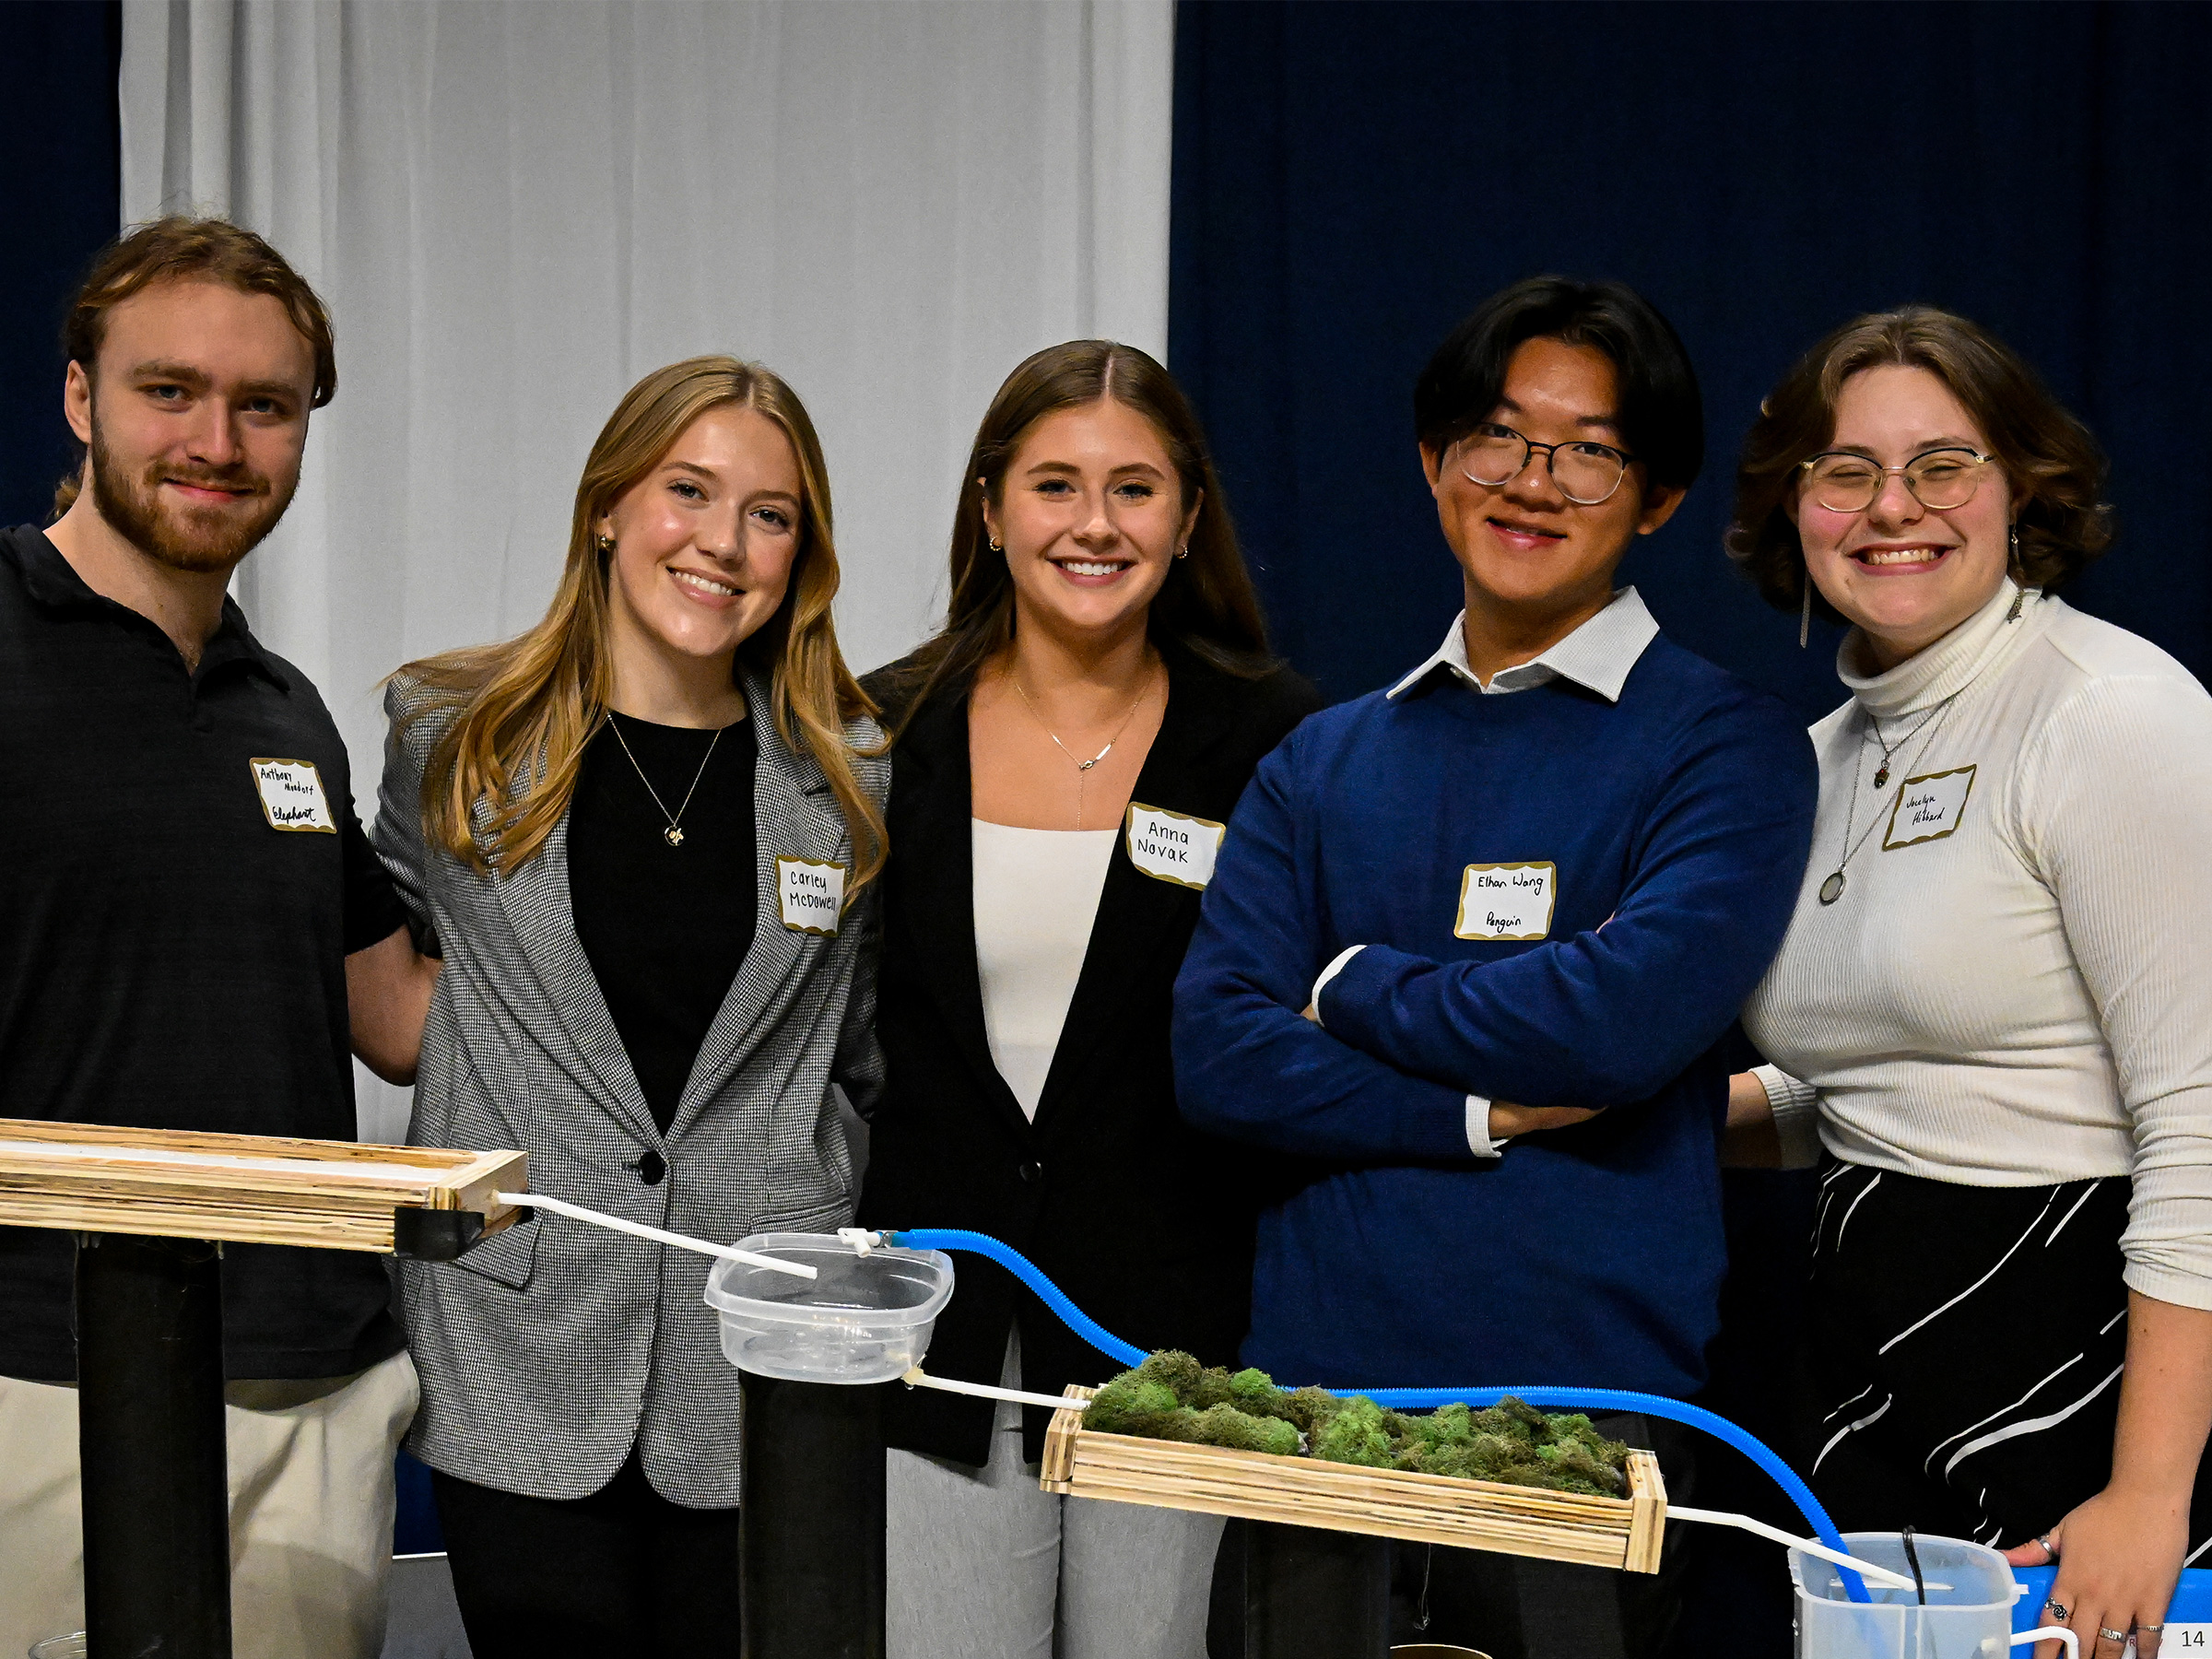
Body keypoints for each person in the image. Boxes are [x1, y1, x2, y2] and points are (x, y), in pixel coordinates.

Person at [1172, 276, 1818, 1659]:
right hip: (1308, 1414)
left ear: (1655, 499)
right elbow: (1221, 1050)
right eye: (1499, 438)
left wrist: (1348, 990)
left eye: (1591, 448)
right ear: (1433, 462)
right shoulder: (1322, 762)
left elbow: (1611, 1025)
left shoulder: (1724, 748)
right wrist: (1469, 1111)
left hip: (1580, 1424)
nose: (1536, 481)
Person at [371, 355, 888, 1654]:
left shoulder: (852, 771)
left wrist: (810, 1197)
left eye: (769, 515)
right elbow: (389, 975)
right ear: (608, 505)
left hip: (760, 1354)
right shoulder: (454, 733)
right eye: (690, 492)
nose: (724, 543)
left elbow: (861, 1051)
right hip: (517, 1340)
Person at [1724, 306, 2212, 1659]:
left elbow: (2202, 1118)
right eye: (1845, 470)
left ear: (2019, 487)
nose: (1896, 507)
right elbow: (1904, 1080)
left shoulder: (2108, 715)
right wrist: (1622, 1125)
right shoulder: (1815, 763)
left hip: (2093, 1376)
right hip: (1875, 1387)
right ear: (1793, 506)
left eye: (1943, 464)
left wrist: (2151, 1492)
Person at [0, 217, 435, 1658]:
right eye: (169, 391)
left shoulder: (285, 707)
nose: (218, 441)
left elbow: (393, 1014)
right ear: (78, 399)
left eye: (265, 406)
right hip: (41, 1387)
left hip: (314, 1383)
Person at [855, 339, 1319, 1659]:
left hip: (1180, 1338)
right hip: (935, 1331)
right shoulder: (879, 729)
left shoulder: (1277, 741)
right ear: (992, 510)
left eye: (1135, 488)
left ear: (1186, 523)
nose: (1095, 524)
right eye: (1055, 485)